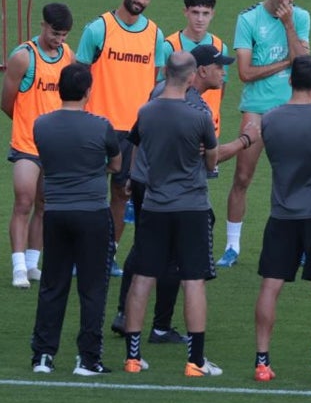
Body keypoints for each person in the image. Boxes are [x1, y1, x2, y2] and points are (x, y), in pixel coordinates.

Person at [112, 44, 245, 345]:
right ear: (200, 71)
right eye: (218, 67)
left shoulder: (161, 90)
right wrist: (246, 140)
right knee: (173, 255)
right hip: (173, 188)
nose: (223, 74)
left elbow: (137, 133)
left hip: (146, 178)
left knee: (143, 247)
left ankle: (124, 314)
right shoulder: (195, 109)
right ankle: (160, 326)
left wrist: (134, 173)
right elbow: (207, 157)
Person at [122, 51, 224, 377]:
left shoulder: (146, 112)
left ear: (165, 73)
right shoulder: (199, 116)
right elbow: (211, 162)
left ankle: (133, 358)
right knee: (193, 280)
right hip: (191, 206)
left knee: (143, 277)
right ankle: (195, 362)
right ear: (192, 76)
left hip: (154, 204)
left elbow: (137, 146)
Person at [251, 55, 311, 384]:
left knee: (270, 285)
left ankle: (262, 362)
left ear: (290, 81)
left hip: (282, 214)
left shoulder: (270, 120)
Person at [28, 63, 120, 375]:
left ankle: (43, 355)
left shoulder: (42, 125)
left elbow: (46, 161)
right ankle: (88, 358)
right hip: (92, 213)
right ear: (87, 91)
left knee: (53, 285)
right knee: (93, 288)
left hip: (55, 214)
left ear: (59, 89)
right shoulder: (101, 125)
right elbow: (115, 164)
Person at [217, 0, 310, 267]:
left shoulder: (300, 17)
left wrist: (289, 26)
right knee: (242, 176)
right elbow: (244, 73)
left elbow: (305, 65)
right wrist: (286, 62)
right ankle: (232, 246)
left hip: (291, 109)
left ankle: (301, 246)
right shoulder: (248, 19)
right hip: (256, 108)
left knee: (294, 179)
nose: (287, 1)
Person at [75, 0, 167, 271]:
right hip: (97, 126)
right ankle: (80, 255)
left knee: (121, 192)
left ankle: (107, 254)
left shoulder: (154, 34)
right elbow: (78, 78)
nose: (141, 0)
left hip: (133, 131)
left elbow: (154, 84)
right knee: (89, 192)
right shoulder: (98, 29)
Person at [4, 2, 73, 289]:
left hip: (55, 145)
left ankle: (33, 264)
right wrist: (26, 123)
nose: (59, 40)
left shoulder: (67, 55)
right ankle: (18, 266)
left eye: (64, 35)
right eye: (55, 33)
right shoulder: (23, 57)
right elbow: (6, 101)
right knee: (23, 201)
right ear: (43, 25)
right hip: (27, 143)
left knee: (45, 205)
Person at [163, 0, 229, 147]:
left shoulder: (220, 47)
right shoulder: (169, 46)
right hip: (178, 127)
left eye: (205, 13)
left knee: (207, 170)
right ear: (185, 12)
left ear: (212, 13)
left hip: (210, 128)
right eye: (195, 12)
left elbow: (221, 88)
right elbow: (160, 90)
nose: (200, 19)